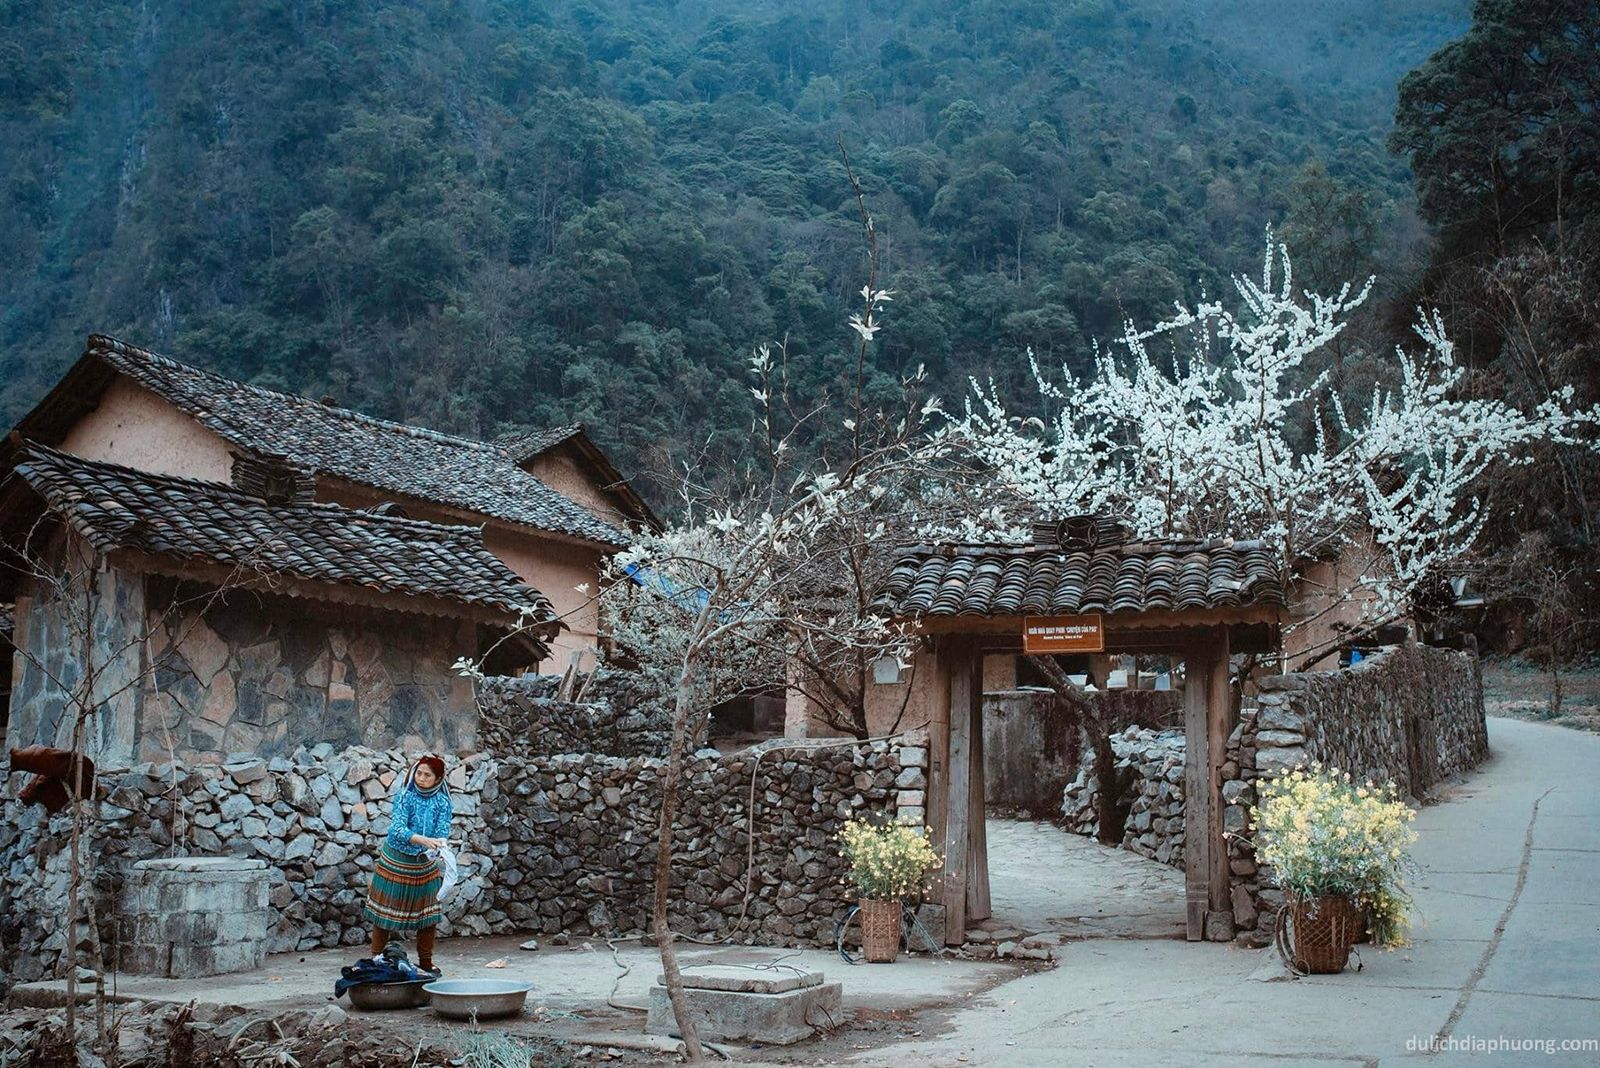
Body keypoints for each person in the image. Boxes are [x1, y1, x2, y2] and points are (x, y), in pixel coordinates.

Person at [363, 754, 453, 975]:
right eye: (419, 773)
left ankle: (426, 961)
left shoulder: (442, 802)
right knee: (384, 912)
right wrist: (421, 840)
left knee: (428, 914)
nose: (421, 778)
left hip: (424, 863)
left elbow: (442, 830)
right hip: (397, 859)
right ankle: (376, 957)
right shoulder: (405, 796)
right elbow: (397, 829)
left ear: (438, 779)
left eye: (427, 775)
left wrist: (440, 848)